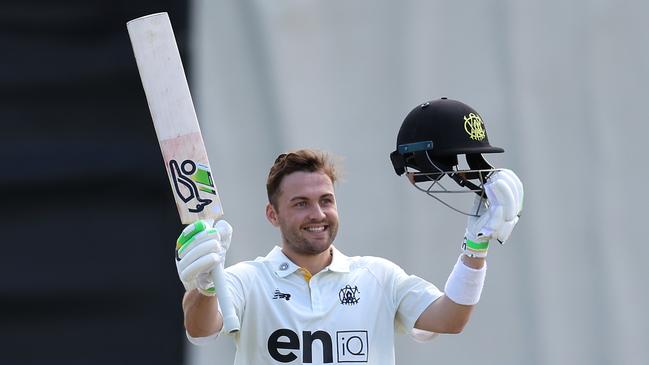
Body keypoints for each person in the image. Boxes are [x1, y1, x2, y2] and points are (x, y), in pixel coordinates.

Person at [175, 148, 523, 364]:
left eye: (326, 200)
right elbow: (201, 329)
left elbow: (451, 319)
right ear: (272, 214)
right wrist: (204, 285)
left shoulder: (378, 276)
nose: (318, 214)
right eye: (301, 204)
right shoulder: (246, 280)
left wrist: (476, 247)